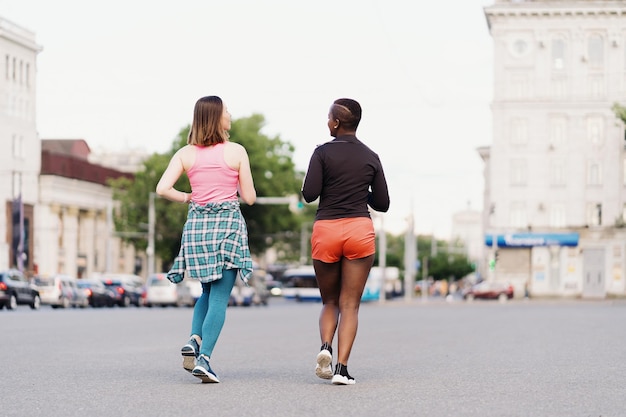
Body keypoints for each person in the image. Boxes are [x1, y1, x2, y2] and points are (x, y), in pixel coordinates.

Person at [156, 95, 256, 383]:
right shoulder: (236, 151)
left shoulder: (185, 153)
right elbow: (248, 197)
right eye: (227, 111)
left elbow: (163, 188)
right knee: (221, 296)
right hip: (227, 227)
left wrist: (187, 196)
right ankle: (204, 359)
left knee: (207, 292)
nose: (231, 116)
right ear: (216, 117)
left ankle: (194, 339)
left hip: (198, 228)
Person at [301, 98, 390, 385]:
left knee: (330, 301)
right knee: (350, 304)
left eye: (329, 118)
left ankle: (325, 346)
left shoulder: (322, 153)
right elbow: (383, 203)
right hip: (358, 229)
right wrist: (359, 192)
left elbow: (309, 193)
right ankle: (341, 369)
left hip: (327, 229)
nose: (327, 122)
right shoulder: (371, 156)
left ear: (336, 123)